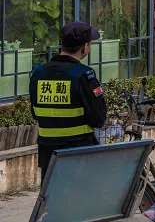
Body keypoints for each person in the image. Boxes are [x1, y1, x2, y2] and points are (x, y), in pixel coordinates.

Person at [29, 21, 107, 183]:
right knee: (80, 201)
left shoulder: (38, 74)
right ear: (85, 47)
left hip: (49, 153)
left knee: (50, 202)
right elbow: (99, 118)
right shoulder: (84, 75)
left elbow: (36, 114)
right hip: (79, 153)